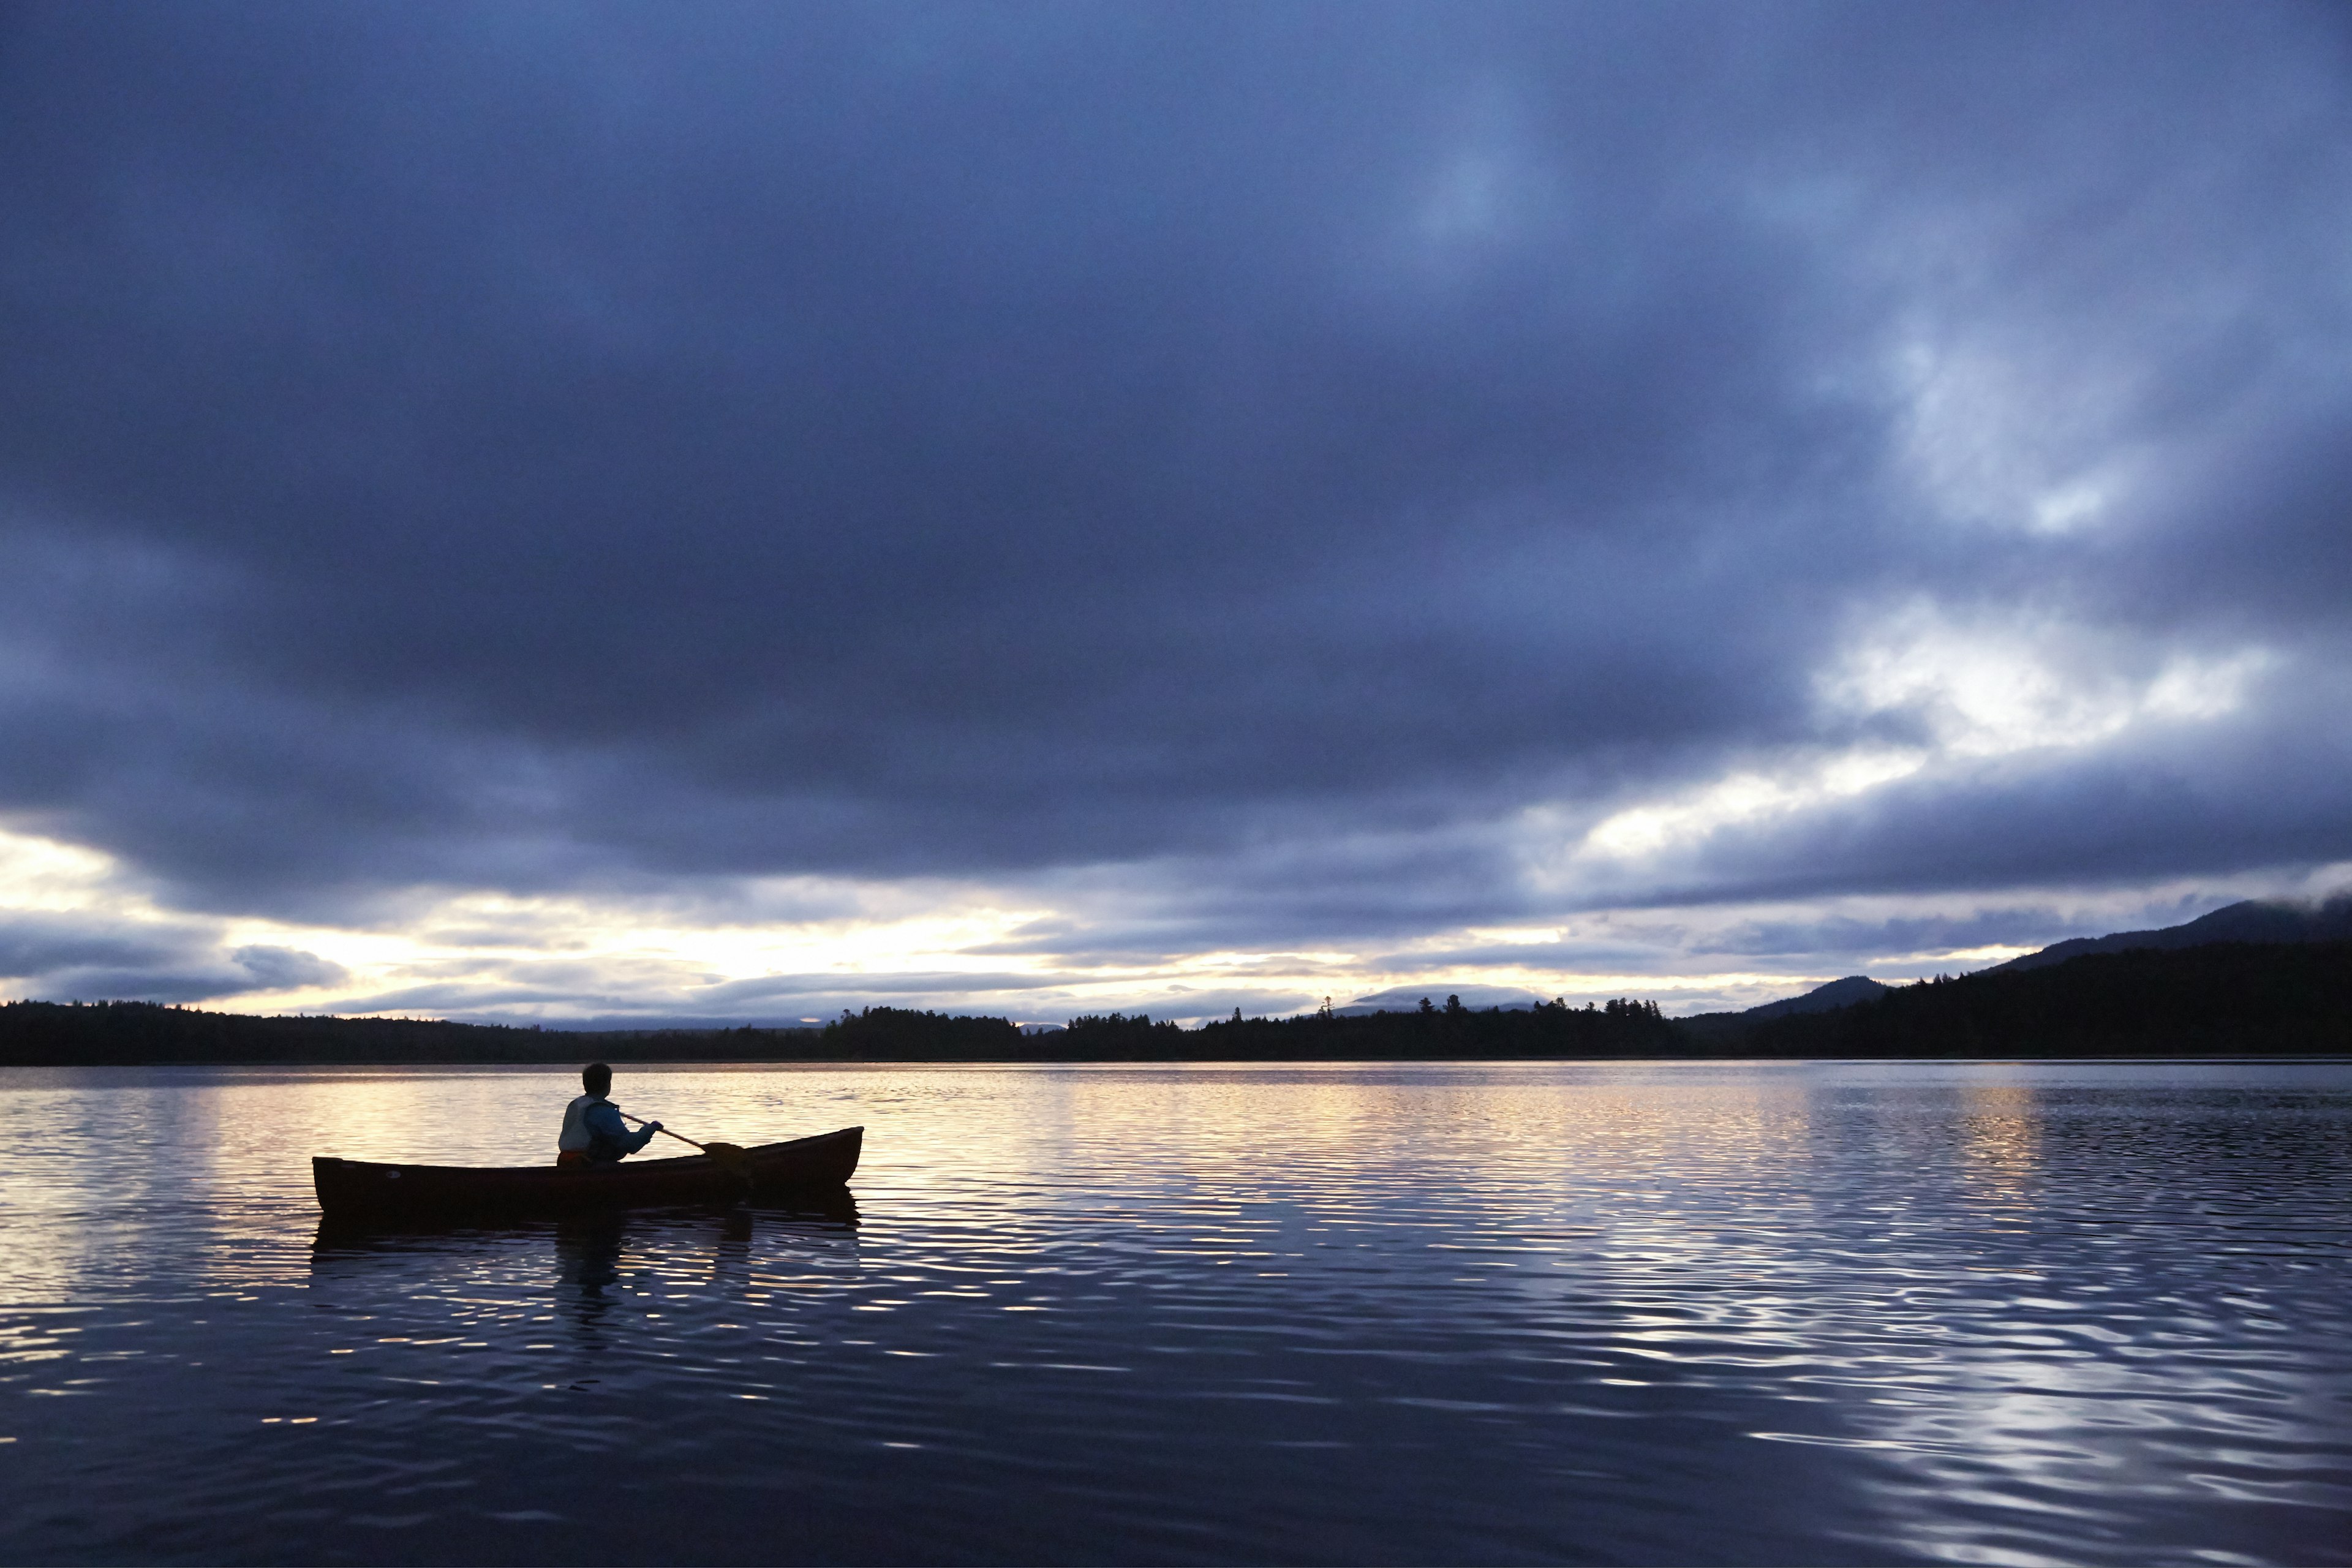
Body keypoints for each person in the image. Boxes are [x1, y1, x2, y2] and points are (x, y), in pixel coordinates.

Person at [557, 1062, 660, 1167]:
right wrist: (650, 1129)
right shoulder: (602, 1111)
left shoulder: (576, 1105)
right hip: (591, 1166)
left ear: (585, 1085)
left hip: (566, 1164)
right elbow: (631, 1145)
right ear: (607, 1085)